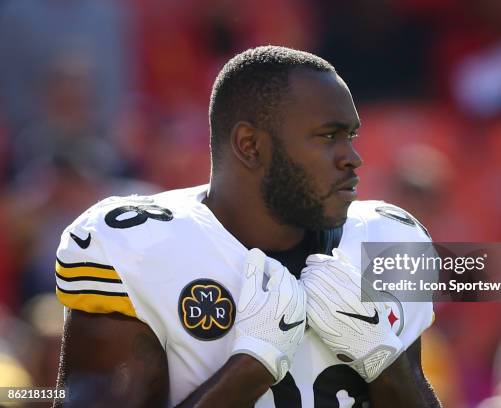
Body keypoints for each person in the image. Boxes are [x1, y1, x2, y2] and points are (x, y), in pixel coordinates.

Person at [53, 46, 439, 407]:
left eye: (350, 136)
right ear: (249, 145)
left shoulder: (391, 239)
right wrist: (251, 366)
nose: (353, 158)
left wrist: (384, 362)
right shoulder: (136, 247)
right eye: (328, 136)